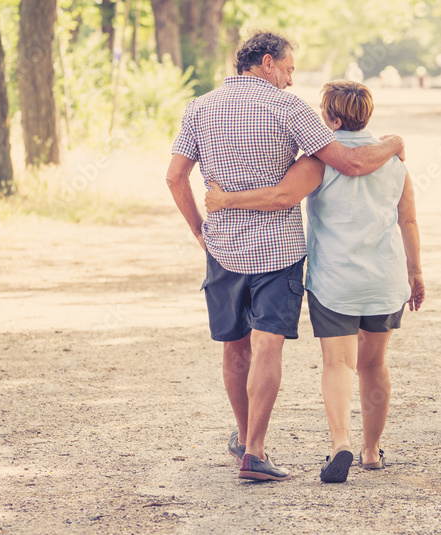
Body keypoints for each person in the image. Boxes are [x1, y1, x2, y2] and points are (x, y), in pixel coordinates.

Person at [166, 32, 406, 482]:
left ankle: (244, 440)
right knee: (266, 344)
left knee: (233, 347)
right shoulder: (288, 109)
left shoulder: (199, 106)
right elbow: (350, 162)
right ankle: (255, 450)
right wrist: (393, 143)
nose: (293, 81)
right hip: (277, 251)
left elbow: (175, 176)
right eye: (291, 70)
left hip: (222, 248)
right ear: (269, 63)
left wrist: (201, 230)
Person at [205, 80, 424, 484]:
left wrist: (225, 201)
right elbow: (407, 220)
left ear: (332, 118)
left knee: (338, 364)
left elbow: (280, 197)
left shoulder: (319, 162)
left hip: (335, 283)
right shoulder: (395, 162)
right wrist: (416, 273)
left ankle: (340, 442)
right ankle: (372, 452)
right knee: (374, 364)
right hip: (385, 280)